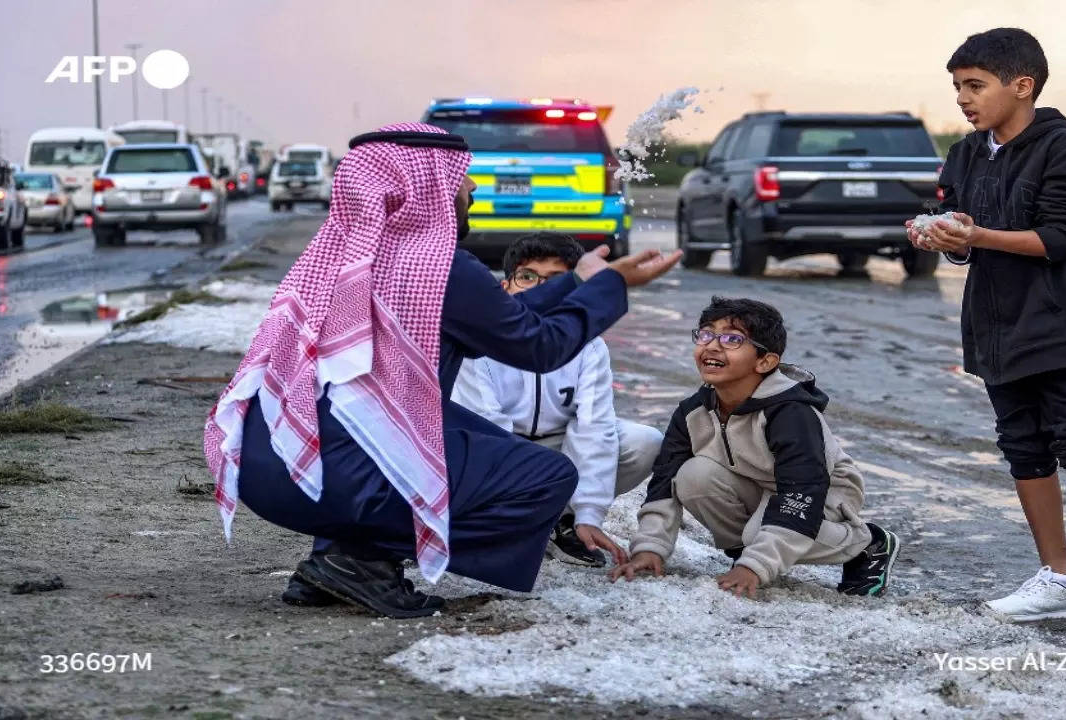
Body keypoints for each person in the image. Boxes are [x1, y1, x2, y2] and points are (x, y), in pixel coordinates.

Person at [203, 123, 681, 619]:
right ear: (423, 186)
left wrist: (576, 283)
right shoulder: (440, 270)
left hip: (271, 468)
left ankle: (337, 557)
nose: (472, 188)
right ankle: (362, 560)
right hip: (337, 473)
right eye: (462, 178)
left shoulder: (343, 256)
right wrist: (612, 286)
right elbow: (540, 347)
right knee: (544, 476)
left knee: (467, 437)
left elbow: (498, 316)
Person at [908, 28, 1066, 634]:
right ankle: (1058, 578)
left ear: (1022, 85)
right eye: (957, 86)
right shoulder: (964, 154)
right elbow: (965, 237)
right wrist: (942, 236)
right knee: (1024, 446)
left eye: (975, 85)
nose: (963, 97)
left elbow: (1062, 240)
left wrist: (975, 236)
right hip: (995, 324)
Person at [609, 297, 900, 598]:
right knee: (692, 475)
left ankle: (867, 544)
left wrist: (756, 567)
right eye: (706, 334)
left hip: (823, 492)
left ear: (765, 362)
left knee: (758, 533)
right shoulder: (692, 412)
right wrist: (649, 550)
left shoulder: (791, 413)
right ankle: (746, 551)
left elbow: (802, 493)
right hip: (758, 485)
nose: (712, 346)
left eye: (732, 339)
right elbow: (663, 487)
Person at [451, 232, 663, 568]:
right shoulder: (480, 344)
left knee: (645, 441)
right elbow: (488, 431)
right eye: (527, 277)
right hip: (496, 448)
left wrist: (588, 514)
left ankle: (564, 524)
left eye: (556, 280)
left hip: (556, 444)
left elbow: (594, 425)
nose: (540, 289)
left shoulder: (590, 345)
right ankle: (511, 524)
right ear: (505, 288)